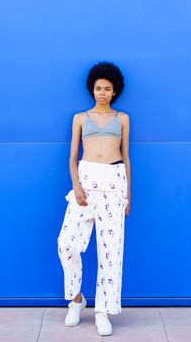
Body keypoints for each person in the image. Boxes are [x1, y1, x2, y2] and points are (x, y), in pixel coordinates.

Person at [57, 61, 131, 336]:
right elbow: (72, 156)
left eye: (107, 89)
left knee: (111, 252)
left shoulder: (122, 118)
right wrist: (76, 186)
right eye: (98, 88)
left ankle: (102, 310)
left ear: (114, 91)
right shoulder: (80, 118)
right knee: (66, 244)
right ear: (92, 89)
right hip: (86, 183)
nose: (102, 92)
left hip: (114, 183)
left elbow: (126, 158)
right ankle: (76, 299)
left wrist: (128, 195)